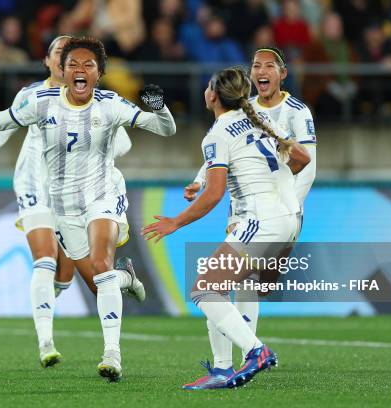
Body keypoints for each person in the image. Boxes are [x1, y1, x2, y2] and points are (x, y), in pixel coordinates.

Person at [0, 37, 177, 382]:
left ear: (100, 73)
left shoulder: (111, 104)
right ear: (61, 71)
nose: (80, 70)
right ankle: (126, 278)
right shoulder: (40, 102)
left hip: (102, 195)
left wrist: (160, 107)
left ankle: (112, 354)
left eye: (88, 65)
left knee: (99, 265)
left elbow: (165, 129)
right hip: (61, 204)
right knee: (95, 278)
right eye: (73, 64)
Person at [143, 67, 310, 389]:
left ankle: (255, 351)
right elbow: (302, 158)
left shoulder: (217, 134)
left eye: (208, 87)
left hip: (261, 222)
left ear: (213, 95)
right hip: (290, 219)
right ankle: (221, 369)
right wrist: (274, 180)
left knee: (204, 288)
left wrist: (176, 221)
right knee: (220, 287)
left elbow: (215, 194)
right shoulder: (263, 121)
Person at [0, 35, 138, 369]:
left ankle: (125, 278)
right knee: (45, 261)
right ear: (51, 62)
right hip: (35, 186)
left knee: (88, 280)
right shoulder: (33, 95)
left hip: (76, 195)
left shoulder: (96, 102)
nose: (68, 61)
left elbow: (122, 143)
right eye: (61, 55)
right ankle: (46, 344)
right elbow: (6, 121)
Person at [184, 47, 317, 388]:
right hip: (253, 211)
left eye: (268, 65)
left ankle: (252, 353)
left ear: (282, 73)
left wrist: (287, 202)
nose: (261, 70)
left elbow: (307, 164)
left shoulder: (295, 111)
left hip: (269, 213)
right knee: (234, 282)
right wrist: (199, 180)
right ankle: (227, 364)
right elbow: (223, 157)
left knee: (220, 287)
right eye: (255, 65)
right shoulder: (253, 114)